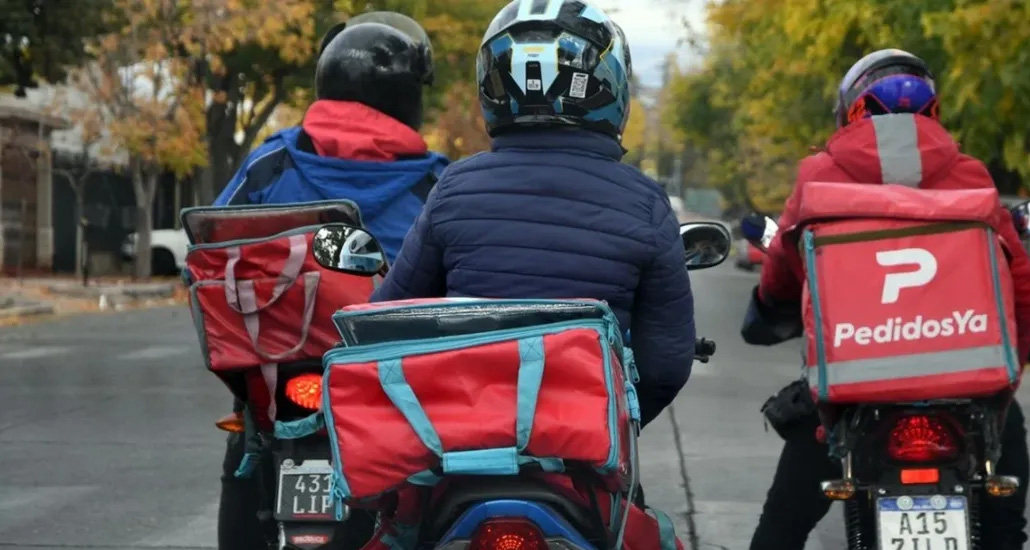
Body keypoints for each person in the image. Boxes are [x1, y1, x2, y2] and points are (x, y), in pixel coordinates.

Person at [741, 48, 1030, 550]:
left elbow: (783, 271)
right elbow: (1021, 285)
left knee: (782, 528)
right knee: (1004, 528)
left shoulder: (817, 176)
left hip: (852, 393)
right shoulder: (972, 175)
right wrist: (1005, 382)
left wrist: (771, 303)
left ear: (850, 110)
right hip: (969, 392)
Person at [369, 0, 695, 431]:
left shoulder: (455, 186)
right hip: (585, 443)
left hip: (464, 440)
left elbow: (389, 319)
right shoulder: (646, 202)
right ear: (611, 86)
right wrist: (617, 424)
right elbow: (666, 364)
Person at [211, 12, 448, 550]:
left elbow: (212, 246)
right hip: (389, 380)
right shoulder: (438, 182)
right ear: (407, 96)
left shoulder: (271, 162)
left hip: (280, 374)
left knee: (249, 439)